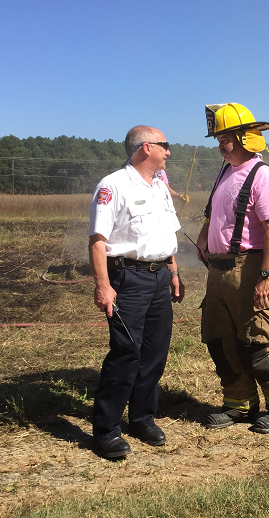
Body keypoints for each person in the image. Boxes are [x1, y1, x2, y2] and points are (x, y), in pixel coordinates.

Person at [195, 103, 269, 434]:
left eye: (224, 137)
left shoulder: (262, 175)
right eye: (219, 138)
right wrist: (203, 238)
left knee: (257, 339)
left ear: (243, 137)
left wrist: (265, 276)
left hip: (250, 267)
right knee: (220, 339)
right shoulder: (224, 172)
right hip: (219, 271)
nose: (220, 144)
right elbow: (214, 214)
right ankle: (239, 404)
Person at [88, 125, 185, 459]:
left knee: (155, 352)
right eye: (164, 145)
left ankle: (143, 418)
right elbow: (98, 241)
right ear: (146, 148)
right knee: (126, 353)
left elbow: (165, 235)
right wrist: (103, 286)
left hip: (159, 278)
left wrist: (173, 272)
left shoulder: (159, 186)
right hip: (128, 279)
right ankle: (106, 430)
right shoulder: (113, 186)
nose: (169, 151)